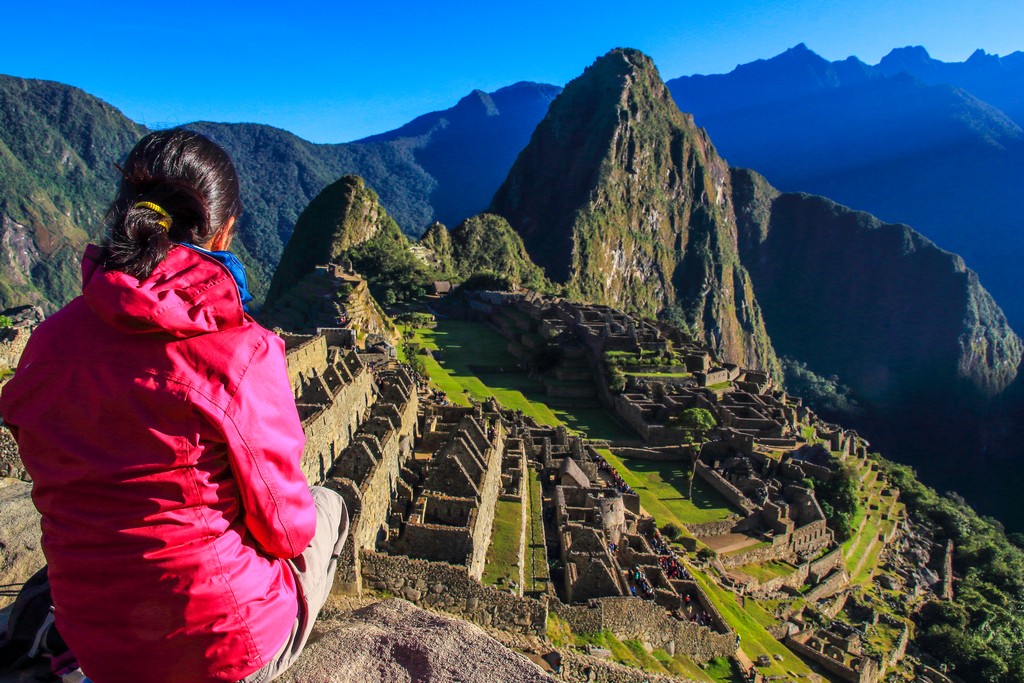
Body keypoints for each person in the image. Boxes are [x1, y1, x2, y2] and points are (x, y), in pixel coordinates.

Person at [0, 130, 348, 683]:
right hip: (220, 649)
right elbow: (286, 528)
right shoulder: (241, 350)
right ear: (225, 228)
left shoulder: (46, 344)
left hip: (95, 643)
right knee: (329, 506)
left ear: (124, 218)